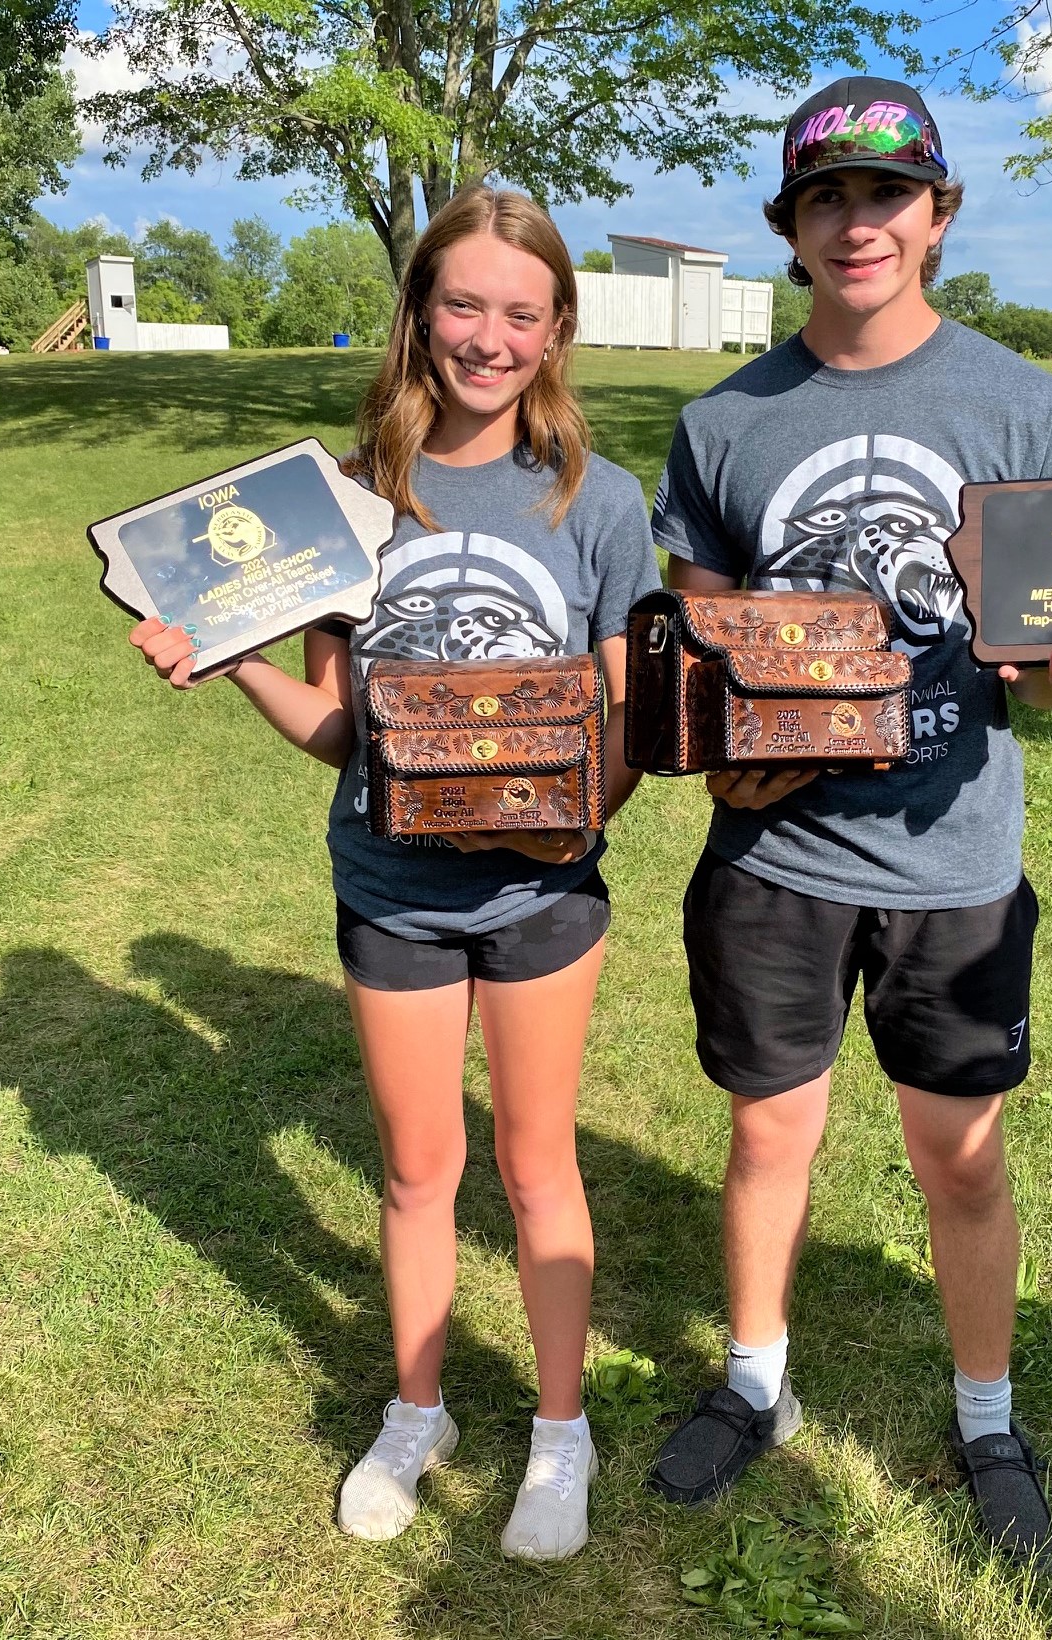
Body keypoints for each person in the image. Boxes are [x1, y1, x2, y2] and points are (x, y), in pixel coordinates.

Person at [645, 77, 1052, 1572]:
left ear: (939, 216)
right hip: (778, 858)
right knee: (768, 1135)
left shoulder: (1025, 405)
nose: (858, 223)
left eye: (888, 194)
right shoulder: (725, 420)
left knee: (963, 1155)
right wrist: (716, 742)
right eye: (827, 198)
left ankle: (987, 1418)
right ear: (791, 227)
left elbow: (1040, 661)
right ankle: (756, 1382)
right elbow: (696, 638)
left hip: (952, 854)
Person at [131, 185, 660, 1561]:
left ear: (557, 332)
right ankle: (417, 1413)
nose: (490, 338)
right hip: (392, 892)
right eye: (463, 304)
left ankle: (560, 1432)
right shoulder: (346, 504)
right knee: (421, 1175)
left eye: (521, 314)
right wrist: (228, 656)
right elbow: (336, 727)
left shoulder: (601, 502)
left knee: (539, 1171)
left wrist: (563, 821)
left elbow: (625, 722)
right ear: (421, 314)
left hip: (544, 898)